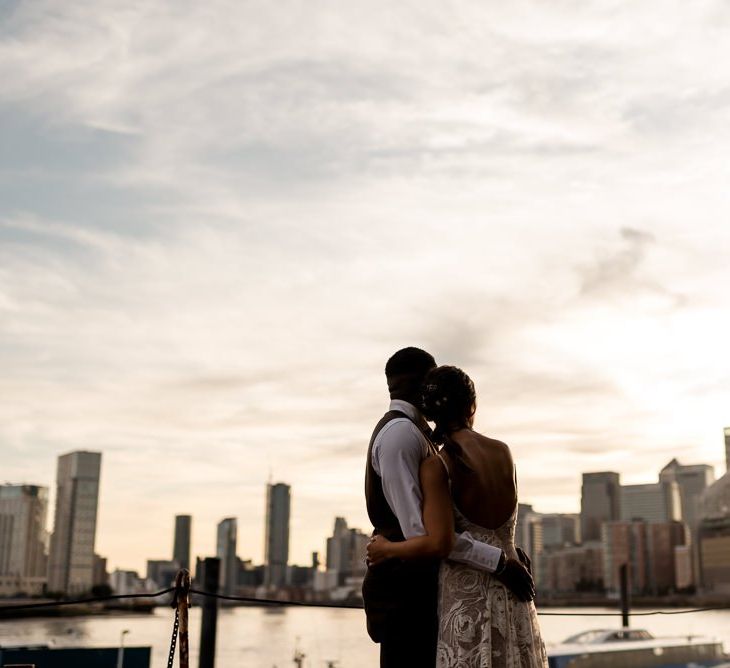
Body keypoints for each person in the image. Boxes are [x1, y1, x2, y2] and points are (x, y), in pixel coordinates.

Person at [362, 349, 535, 668]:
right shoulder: (402, 435)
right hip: (408, 595)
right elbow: (423, 533)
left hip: (452, 588)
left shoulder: (435, 454)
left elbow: (434, 536)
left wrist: (386, 548)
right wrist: (501, 557)